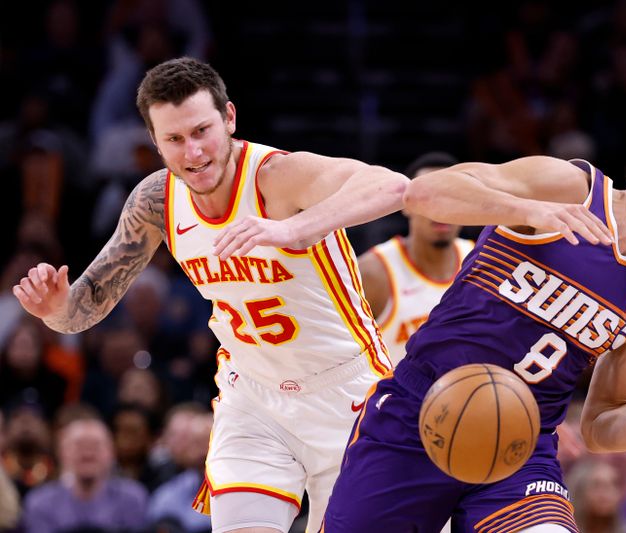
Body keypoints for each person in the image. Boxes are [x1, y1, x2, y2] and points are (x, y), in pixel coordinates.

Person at [12, 56, 407, 533]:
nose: (193, 152)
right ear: (154, 143)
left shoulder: (276, 177)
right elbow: (80, 311)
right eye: (174, 139)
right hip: (255, 397)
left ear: (230, 118)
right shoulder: (156, 202)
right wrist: (55, 311)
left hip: (347, 393)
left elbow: (392, 185)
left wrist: (295, 228)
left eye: (202, 131)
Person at [322, 112, 626, 532]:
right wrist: (526, 210)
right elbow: (422, 194)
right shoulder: (570, 187)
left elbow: (600, 424)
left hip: (521, 447)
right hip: (417, 415)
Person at [358, 151, 475, 365]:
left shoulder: (482, 261)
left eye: (453, 196)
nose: (442, 209)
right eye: (430, 197)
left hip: (467, 394)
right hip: (396, 397)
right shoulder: (372, 273)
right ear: (406, 205)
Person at [22, 417, 149, 533]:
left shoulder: (132, 499)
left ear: (111, 452)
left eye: (96, 446)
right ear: (62, 452)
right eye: (79, 445)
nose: (88, 453)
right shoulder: (40, 503)